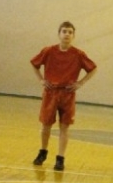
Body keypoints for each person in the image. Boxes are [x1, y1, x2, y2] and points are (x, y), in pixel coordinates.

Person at [30, 21, 97, 171]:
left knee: (64, 127)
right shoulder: (48, 51)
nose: (67, 34)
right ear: (59, 34)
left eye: (70, 32)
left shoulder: (78, 54)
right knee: (46, 124)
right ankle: (43, 151)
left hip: (68, 94)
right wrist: (41, 79)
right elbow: (34, 64)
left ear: (73, 36)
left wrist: (81, 82)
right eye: (64, 31)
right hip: (51, 92)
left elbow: (93, 68)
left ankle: (60, 158)